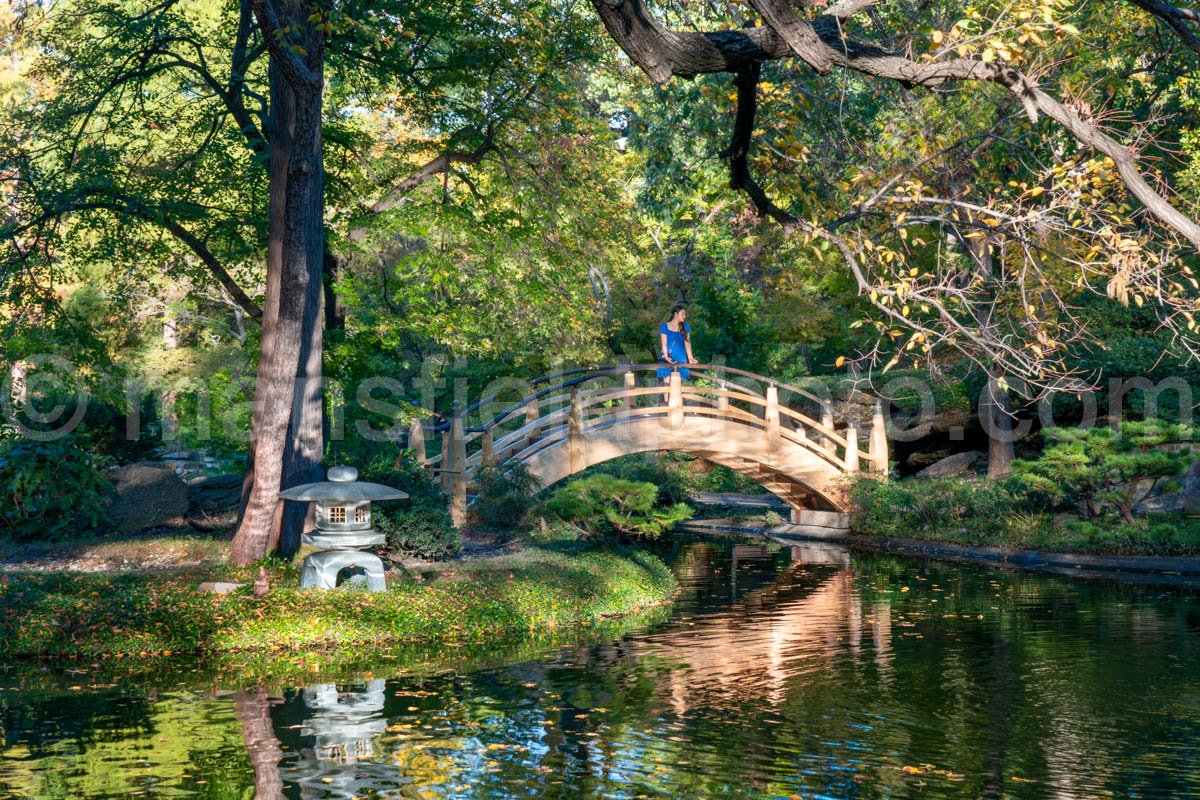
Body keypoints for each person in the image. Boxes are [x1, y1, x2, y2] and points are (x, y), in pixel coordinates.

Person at [656, 303, 698, 385]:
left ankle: (678, 398)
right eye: (682, 314)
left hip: (680, 358)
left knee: (679, 384)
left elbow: (687, 342)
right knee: (667, 384)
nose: (684, 316)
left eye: (685, 314)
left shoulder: (685, 326)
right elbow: (663, 344)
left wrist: (690, 357)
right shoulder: (664, 326)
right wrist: (666, 356)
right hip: (668, 357)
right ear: (676, 314)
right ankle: (666, 399)